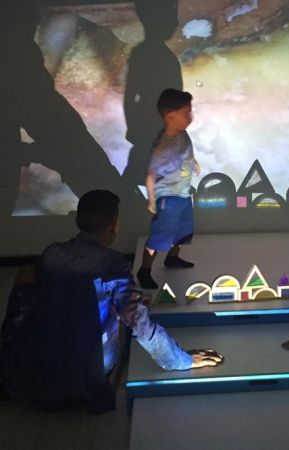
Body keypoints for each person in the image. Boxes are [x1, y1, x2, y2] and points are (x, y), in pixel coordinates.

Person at [0, 190, 222, 413]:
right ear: (114, 226)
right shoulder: (111, 263)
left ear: (78, 221)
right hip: (81, 381)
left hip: (27, 373)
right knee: (122, 307)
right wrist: (179, 360)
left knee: (27, 272)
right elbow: (138, 321)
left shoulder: (52, 253)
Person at [137, 88, 200, 289]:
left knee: (183, 231)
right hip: (168, 197)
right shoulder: (163, 147)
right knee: (160, 235)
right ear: (171, 116)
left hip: (183, 193)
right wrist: (151, 199)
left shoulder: (183, 134)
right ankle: (144, 270)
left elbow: (186, 153)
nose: (190, 116)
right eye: (186, 112)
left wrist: (194, 163)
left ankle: (172, 258)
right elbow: (150, 175)